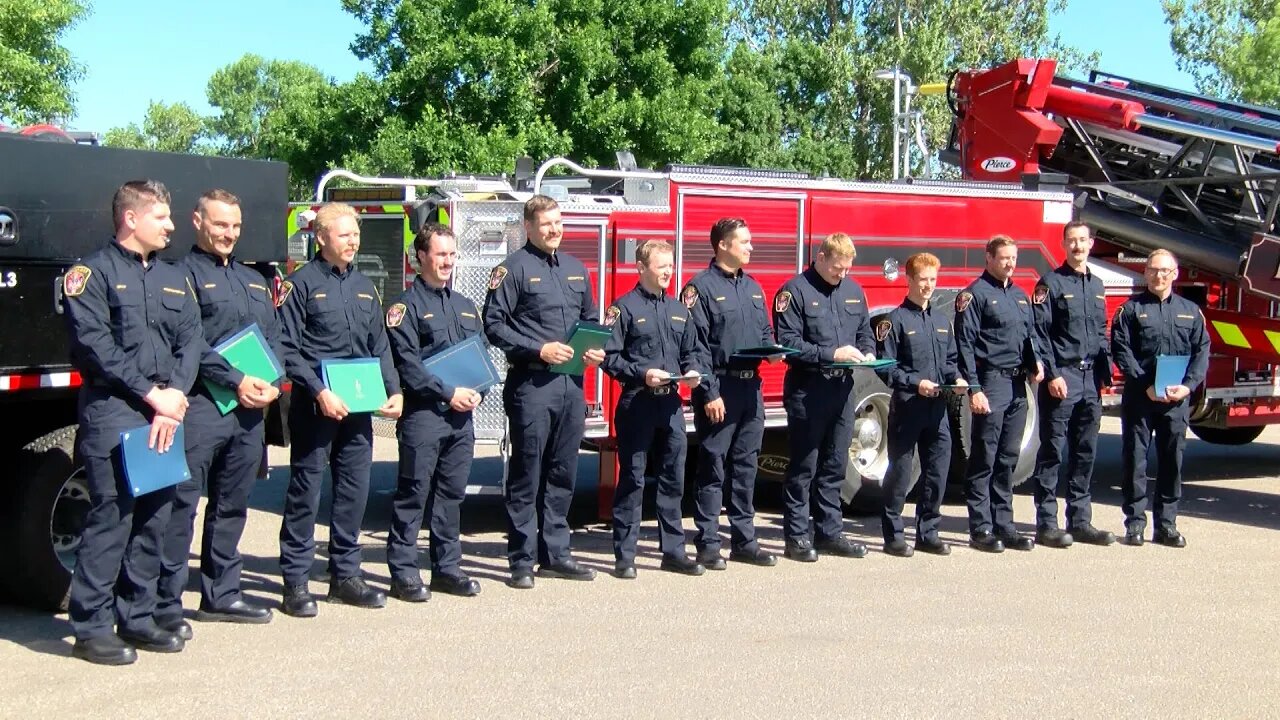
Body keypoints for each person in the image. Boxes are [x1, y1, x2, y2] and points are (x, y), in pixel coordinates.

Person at [63, 180, 202, 665]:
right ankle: (92, 626)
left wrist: (176, 395)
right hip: (116, 410)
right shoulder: (90, 274)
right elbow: (95, 348)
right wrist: (152, 395)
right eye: (162, 217)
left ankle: (137, 616)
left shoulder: (173, 277)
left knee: (154, 518)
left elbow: (192, 339)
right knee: (113, 518)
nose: (171, 225)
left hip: (166, 410)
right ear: (131, 219)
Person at [156, 190, 282, 636]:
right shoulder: (180, 276)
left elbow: (275, 338)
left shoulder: (252, 280)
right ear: (197, 221)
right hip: (203, 406)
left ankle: (221, 594)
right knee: (181, 505)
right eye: (220, 224)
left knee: (233, 504)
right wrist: (236, 381)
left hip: (249, 412)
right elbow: (190, 343)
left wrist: (271, 381)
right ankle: (165, 603)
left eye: (235, 226)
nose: (229, 234)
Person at [276, 202, 403, 616]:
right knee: (306, 494)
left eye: (356, 235)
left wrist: (394, 389)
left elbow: (379, 345)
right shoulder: (301, 285)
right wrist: (316, 390)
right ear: (321, 237)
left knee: (353, 492)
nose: (354, 241)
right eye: (345, 235)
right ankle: (295, 583)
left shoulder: (366, 286)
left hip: (359, 406)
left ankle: (345, 576)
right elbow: (286, 347)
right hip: (318, 406)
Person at [482, 195, 605, 589]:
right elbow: (494, 326)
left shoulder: (575, 268)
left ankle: (556, 554)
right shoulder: (512, 270)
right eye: (546, 224)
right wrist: (538, 348)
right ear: (529, 227)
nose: (555, 229)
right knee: (527, 472)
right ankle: (521, 559)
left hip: (571, 384)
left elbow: (590, 317)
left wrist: (593, 348)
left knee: (562, 470)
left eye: (559, 222)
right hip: (531, 384)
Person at [384, 223, 483, 602]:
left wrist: (476, 392)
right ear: (421, 256)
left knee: (451, 495)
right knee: (413, 494)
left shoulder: (464, 306)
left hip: (461, 417)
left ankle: (447, 568)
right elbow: (408, 366)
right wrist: (448, 393)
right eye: (440, 254)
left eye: (452, 254)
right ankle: (404, 573)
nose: (447, 261)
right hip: (424, 415)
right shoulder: (403, 308)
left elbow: (479, 356)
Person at [601, 240, 705, 579]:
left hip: (671, 404)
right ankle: (625, 555)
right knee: (632, 478)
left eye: (671, 266)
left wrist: (692, 374)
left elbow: (692, 352)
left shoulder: (678, 310)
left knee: (673, 478)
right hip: (637, 403)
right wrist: (641, 373)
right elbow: (610, 358)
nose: (668, 272)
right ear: (641, 268)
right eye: (661, 266)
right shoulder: (624, 308)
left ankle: (673, 551)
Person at [682, 218, 777, 570]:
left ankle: (744, 540)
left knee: (746, 466)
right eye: (745, 242)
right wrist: (709, 392)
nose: (751, 247)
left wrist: (773, 349)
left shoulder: (753, 287)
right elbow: (695, 347)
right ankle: (707, 542)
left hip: (751, 386)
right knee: (712, 466)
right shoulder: (699, 288)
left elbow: (765, 330)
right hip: (719, 388)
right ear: (723, 245)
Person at [773, 233, 873, 562]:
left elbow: (864, 332)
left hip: (841, 390)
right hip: (808, 387)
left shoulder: (853, 291)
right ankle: (797, 536)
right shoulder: (795, 291)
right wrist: (832, 353)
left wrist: (869, 352)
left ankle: (830, 532)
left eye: (846, 269)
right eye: (836, 268)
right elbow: (788, 343)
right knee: (804, 466)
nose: (841, 274)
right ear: (821, 257)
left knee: (835, 463)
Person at [1111, 249, 1210, 547]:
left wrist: (1188, 386)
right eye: (1154, 270)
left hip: (1175, 400)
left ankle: (1166, 525)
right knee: (1135, 461)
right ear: (1145, 272)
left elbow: (1201, 351)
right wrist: (1144, 384)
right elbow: (1120, 349)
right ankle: (1135, 524)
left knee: (1172, 463)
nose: (1159, 276)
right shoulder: (1130, 310)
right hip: (1141, 398)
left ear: (1175, 274)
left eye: (1165, 271)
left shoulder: (1190, 311)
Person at [1029, 221, 1117, 548]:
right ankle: (1047, 523)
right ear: (1064, 245)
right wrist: (1052, 375)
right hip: (1062, 377)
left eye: (1082, 240)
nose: (1078, 246)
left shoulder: (1096, 284)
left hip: (1090, 379)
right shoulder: (1050, 284)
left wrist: (1105, 373)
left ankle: (1080, 520)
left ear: (1091, 243)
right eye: (1072, 241)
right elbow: (1040, 333)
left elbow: (1101, 329)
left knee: (1085, 451)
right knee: (1052, 450)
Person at [955, 235, 1043, 554]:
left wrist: (1037, 365)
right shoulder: (974, 295)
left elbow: (1029, 338)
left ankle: (1004, 523)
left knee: (1008, 456)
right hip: (991, 382)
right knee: (985, 456)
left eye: (1014, 258)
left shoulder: (1020, 297)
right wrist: (974, 389)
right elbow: (964, 345)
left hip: (1018, 384)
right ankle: (981, 527)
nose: (1010, 263)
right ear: (988, 258)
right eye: (1004, 258)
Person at [875, 252, 967, 557]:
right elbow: (886, 367)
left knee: (937, 471)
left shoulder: (942, 321)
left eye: (933, 279)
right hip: (909, 406)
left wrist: (957, 379)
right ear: (909, 280)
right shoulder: (894, 321)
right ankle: (893, 535)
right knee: (900, 473)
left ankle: (928, 532)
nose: (928, 286)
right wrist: (917, 383)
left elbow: (950, 361)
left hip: (937, 409)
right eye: (923, 279)